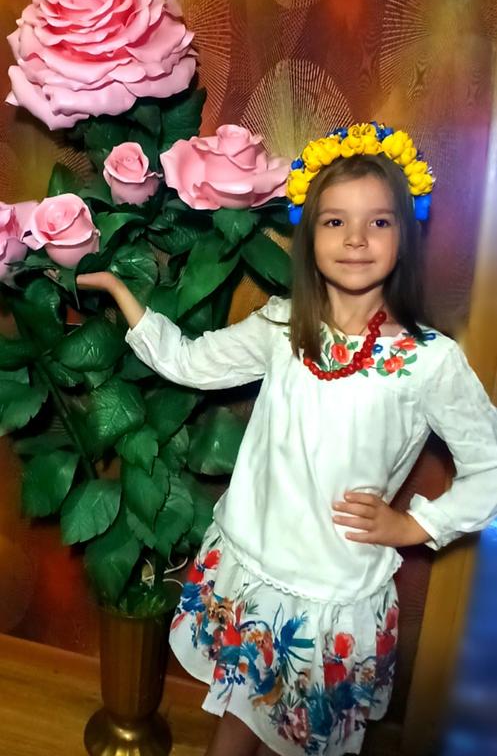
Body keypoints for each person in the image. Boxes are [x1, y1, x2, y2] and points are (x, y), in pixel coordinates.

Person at [77, 123, 497, 756]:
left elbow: (490, 466)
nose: (355, 239)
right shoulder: (281, 325)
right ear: (309, 234)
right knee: (242, 709)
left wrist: (416, 525)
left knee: (301, 739)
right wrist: (121, 293)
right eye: (335, 221)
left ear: (405, 235)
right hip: (255, 565)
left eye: (379, 222)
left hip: (332, 588)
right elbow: (190, 362)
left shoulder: (428, 362)